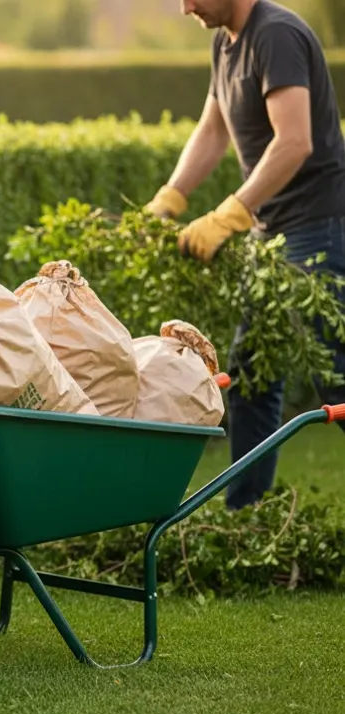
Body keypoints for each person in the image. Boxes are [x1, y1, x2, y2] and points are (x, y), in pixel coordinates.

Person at [144, 0, 345, 509]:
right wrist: (170, 198)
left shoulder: (275, 35)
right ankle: (246, 510)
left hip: (320, 228)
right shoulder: (226, 43)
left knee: (337, 377)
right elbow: (213, 131)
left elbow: (295, 141)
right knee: (252, 376)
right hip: (271, 235)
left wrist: (230, 214)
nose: (185, 7)